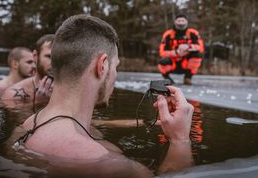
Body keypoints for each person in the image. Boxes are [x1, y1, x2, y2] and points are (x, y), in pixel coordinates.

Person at [14, 15, 194, 177]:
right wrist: (180, 140)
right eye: (115, 67)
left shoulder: (26, 127)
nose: (115, 74)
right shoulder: (107, 165)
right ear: (103, 65)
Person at [1, 34, 54, 105]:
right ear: (35, 56)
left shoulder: (71, 89)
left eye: (60, 57)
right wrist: (39, 103)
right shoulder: (14, 95)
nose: (55, 62)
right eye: (49, 56)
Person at [158, 13, 204, 85]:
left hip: (186, 63)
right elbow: (161, 52)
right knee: (162, 61)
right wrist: (176, 53)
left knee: (197, 55)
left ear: (186, 22)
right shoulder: (168, 34)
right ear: (175, 22)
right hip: (173, 62)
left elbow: (201, 48)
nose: (181, 23)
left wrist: (188, 47)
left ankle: (188, 77)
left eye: (183, 21)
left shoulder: (193, 33)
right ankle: (168, 79)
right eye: (179, 21)